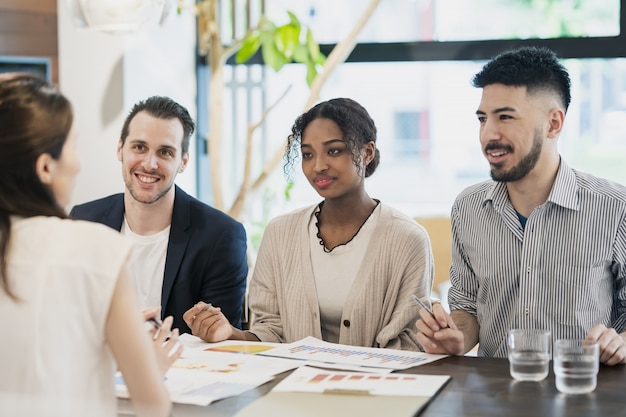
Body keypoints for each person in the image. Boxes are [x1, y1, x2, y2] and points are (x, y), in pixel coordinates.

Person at [415, 46, 626, 365]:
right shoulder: (468, 208)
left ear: (553, 124)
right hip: (493, 398)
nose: (488, 134)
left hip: (584, 392)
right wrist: (456, 337)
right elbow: (467, 308)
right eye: (483, 119)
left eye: (505, 117)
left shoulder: (614, 207)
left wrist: (620, 341)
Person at [184, 97, 434, 350]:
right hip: (291, 384)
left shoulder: (407, 239)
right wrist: (230, 334)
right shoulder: (280, 233)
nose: (319, 166)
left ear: (367, 152)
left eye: (334, 150)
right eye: (307, 154)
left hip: (378, 387)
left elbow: (411, 343)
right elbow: (270, 330)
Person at [0, 73, 181, 417]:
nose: (79, 162)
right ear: (45, 167)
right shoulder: (95, 247)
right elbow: (152, 406)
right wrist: (150, 366)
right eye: (73, 144)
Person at [70, 96, 248, 335]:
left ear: (183, 162)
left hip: (184, 369)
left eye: (164, 152)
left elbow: (223, 342)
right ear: (120, 148)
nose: (149, 164)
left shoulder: (221, 236)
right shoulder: (84, 221)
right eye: (139, 147)